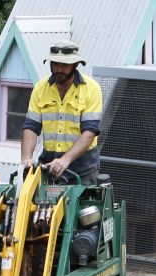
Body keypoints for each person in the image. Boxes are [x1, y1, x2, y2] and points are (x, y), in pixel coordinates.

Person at [21, 41, 104, 184]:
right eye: (55, 64)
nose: (59, 69)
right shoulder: (41, 88)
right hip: (48, 166)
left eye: (64, 65)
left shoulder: (91, 89)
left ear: (75, 65)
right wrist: (26, 159)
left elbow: (90, 132)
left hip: (83, 169)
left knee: (83, 207)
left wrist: (65, 160)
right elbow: (31, 127)